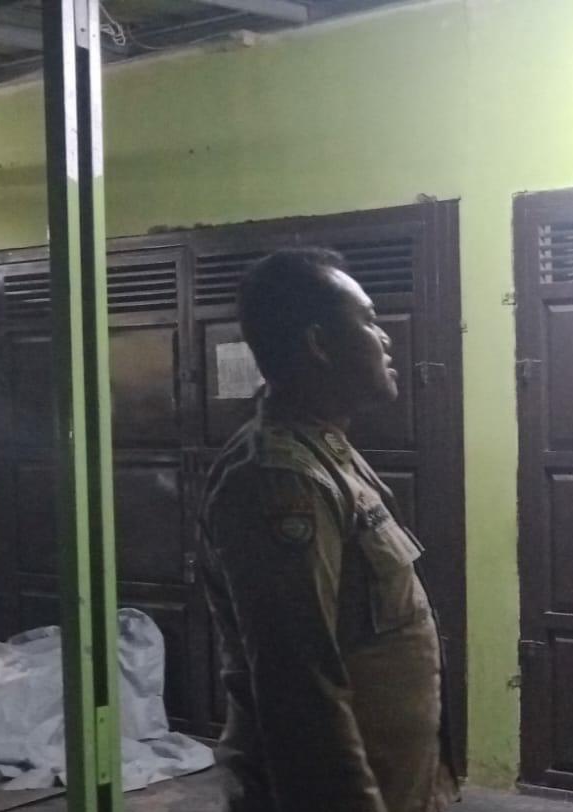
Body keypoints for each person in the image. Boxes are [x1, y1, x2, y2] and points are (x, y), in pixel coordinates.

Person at [200, 248, 456, 812]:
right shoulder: (280, 477)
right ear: (319, 344)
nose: (386, 339)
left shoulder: (328, 452)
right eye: (368, 320)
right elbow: (300, 688)